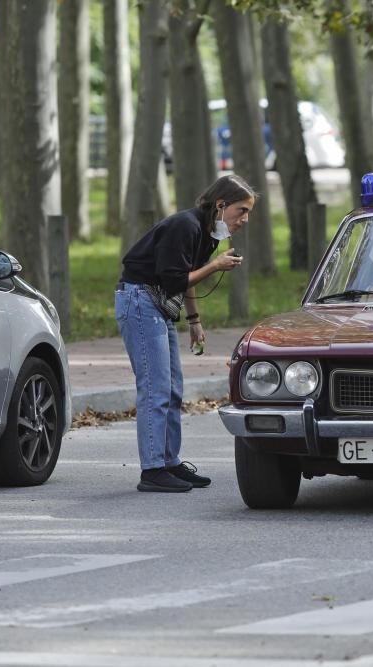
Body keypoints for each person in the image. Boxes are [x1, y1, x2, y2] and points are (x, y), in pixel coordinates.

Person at [115, 175, 255, 493]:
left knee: (173, 388)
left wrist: (194, 321)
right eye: (242, 210)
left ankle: (169, 462)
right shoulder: (185, 227)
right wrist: (216, 265)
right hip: (139, 300)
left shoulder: (207, 234)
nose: (245, 219)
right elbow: (176, 279)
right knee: (155, 388)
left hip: (159, 303)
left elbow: (185, 278)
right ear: (221, 205)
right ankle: (152, 470)